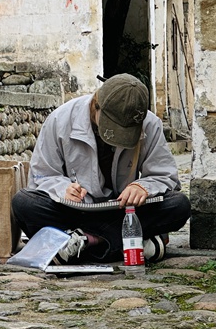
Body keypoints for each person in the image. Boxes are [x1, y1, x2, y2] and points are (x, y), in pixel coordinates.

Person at [11, 73, 190, 264]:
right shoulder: (60, 120)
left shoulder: (150, 124)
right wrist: (63, 189)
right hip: (75, 212)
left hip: (125, 212)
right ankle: (129, 243)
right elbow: (41, 175)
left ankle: (83, 241)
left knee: (179, 205)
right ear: (97, 105)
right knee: (24, 203)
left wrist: (143, 187)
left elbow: (166, 176)